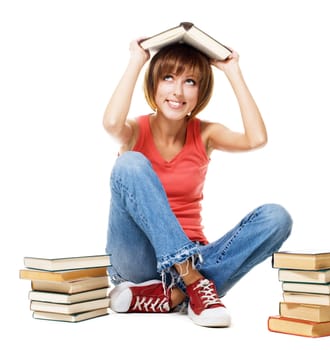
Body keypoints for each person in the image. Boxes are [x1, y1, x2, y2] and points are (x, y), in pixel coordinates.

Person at [102, 38, 292, 328]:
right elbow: (112, 123)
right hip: (136, 259)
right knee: (129, 164)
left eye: (190, 81)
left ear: (200, 92)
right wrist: (136, 61)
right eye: (168, 78)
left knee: (277, 218)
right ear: (154, 84)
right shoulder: (134, 131)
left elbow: (256, 138)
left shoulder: (205, 134)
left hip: (195, 252)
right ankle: (193, 284)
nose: (177, 91)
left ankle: (172, 295)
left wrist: (233, 71)